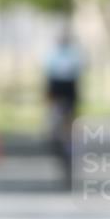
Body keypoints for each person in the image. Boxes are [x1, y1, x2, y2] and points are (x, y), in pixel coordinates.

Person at [44, 29, 83, 188]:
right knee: (59, 126)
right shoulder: (56, 56)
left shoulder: (70, 55)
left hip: (66, 95)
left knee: (65, 128)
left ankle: (67, 150)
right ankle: (62, 146)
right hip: (60, 95)